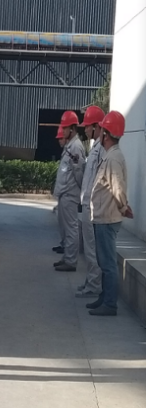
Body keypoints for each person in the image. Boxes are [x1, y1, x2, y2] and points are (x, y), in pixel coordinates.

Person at [87, 111, 132, 316]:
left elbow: (118, 188)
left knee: (108, 264)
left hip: (107, 218)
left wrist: (123, 207)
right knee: (104, 262)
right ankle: (105, 297)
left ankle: (110, 303)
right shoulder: (111, 155)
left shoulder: (113, 158)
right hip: (103, 217)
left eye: (102, 130)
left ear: (106, 133)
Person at [76, 106, 106, 298]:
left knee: (92, 249)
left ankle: (94, 285)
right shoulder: (95, 147)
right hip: (87, 205)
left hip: (93, 207)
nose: (85, 129)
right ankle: (90, 280)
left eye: (88, 126)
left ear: (96, 126)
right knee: (88, 248)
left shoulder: (101, 149)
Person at [53, 111, 85, 272]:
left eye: (65, 128)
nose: (63, 130)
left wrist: (77, 192)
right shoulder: (70, 146)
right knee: (66, 229)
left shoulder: (76, 147)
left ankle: (71, 261)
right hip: (65, 193)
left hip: (70, 194)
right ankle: (67, 257)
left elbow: (79, 173)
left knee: (71, 229)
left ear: (72, 128)